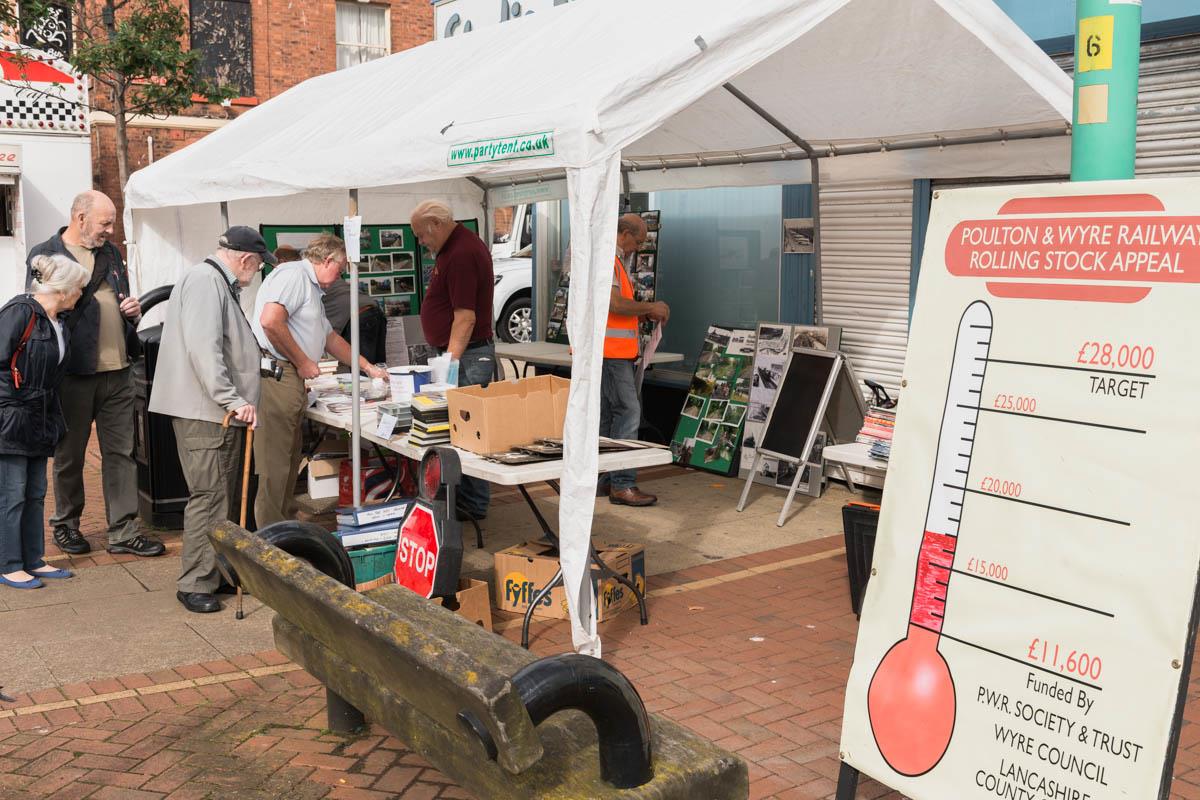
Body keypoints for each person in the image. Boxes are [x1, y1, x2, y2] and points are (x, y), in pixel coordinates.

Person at [26, 190, 165, 558]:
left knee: (122, 453)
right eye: (105, 222)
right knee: (69, 454)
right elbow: (40, 311)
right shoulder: (46, 253)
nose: (110, 229)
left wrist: (132, 310)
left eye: (113, 221)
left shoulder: (111, 254)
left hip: (119, 369)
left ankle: (123, 530)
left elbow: (119, 301)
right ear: (80, 217)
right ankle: (67, 525)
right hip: (72, 372)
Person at [149, 227, 269, 613]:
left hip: (214, 412)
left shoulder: (214, 280)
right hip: (208, 413)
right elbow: (205, 350)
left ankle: (216, 573)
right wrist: (232, 399)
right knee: (210, 497)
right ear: (247, 260)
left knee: (223, 497)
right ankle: (195, 581)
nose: (257, 274)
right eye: (259, 265)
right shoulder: (206, 281)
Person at [252, 234, 386, 527]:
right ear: (327, 261)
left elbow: (330, 338)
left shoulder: (310, 287)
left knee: (288, 458)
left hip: (288, 375)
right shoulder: (294, 276)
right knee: (276, 463)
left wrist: (367, 367)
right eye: (339, 270)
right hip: (279, 373)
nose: (339, 277)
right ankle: (273, 540)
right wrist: (302, 361)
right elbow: (270, 321)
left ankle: (285, 527)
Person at [0, 254, 89, 589]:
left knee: (35, 492)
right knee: (12, 493)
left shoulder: (57, 320)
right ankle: (9, 564)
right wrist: (11, 403)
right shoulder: (20, 312)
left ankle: (33, 559)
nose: (81, 293)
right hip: (12, 417)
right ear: (64, 290)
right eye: (79, 288)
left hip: (40, 416)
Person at [411, 200, 495, 521]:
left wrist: (449, 363)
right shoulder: (452, 248)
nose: (420, 241)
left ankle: (474, 504)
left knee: (469, 429)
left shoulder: (461, 253)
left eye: (421, 234)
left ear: (436, 224)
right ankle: (467, 499)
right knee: (459, 427)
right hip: (462, 353)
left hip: (468, 354)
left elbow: (465, 318)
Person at [597, 213, 670, 507]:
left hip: (606, 352)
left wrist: (643, 313)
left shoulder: (609, 259)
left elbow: (614, 308)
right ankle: (622, 484)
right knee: (628, 413)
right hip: (612, 353)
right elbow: (613, 304)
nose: (637, 249)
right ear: (624, 233)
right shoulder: (609, 260)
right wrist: (651, 306)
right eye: (637, 242)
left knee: (607, 418)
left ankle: (604, 479)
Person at [322, 278, 388, 364]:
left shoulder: (312, 285)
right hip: (375, 312)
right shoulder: (329, 278)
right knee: (378, 366)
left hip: (360, 319)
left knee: (362, 369)